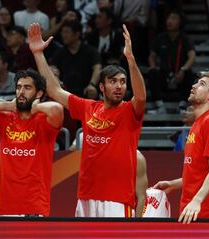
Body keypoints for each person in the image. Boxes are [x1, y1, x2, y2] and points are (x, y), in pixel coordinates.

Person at [29, 22, 146, 217]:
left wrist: (130, 59)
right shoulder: (88, 107)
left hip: (116, 200)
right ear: (101, 87)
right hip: (86, 197)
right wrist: (38, 54)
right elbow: (54, 91)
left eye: (123, 82)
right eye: (113, 82)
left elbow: (141, 97)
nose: (119, 86)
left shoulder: (129, 111)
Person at [0, 69, 64, 216]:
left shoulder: (44, 121)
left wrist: (36, 107)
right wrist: (7, 106)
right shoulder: (6, 118)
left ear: (39, 94)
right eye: (19, 87)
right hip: (3, 207)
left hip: (33, 207)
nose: (21, 92)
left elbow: (57, 109)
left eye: (27, 88)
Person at [154, 71, 209, 224]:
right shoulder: (197, 124)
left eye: (202, 84)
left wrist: (197, 200)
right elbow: (199, 171)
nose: (194, 86)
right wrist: (174, 184)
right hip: (192, 211)